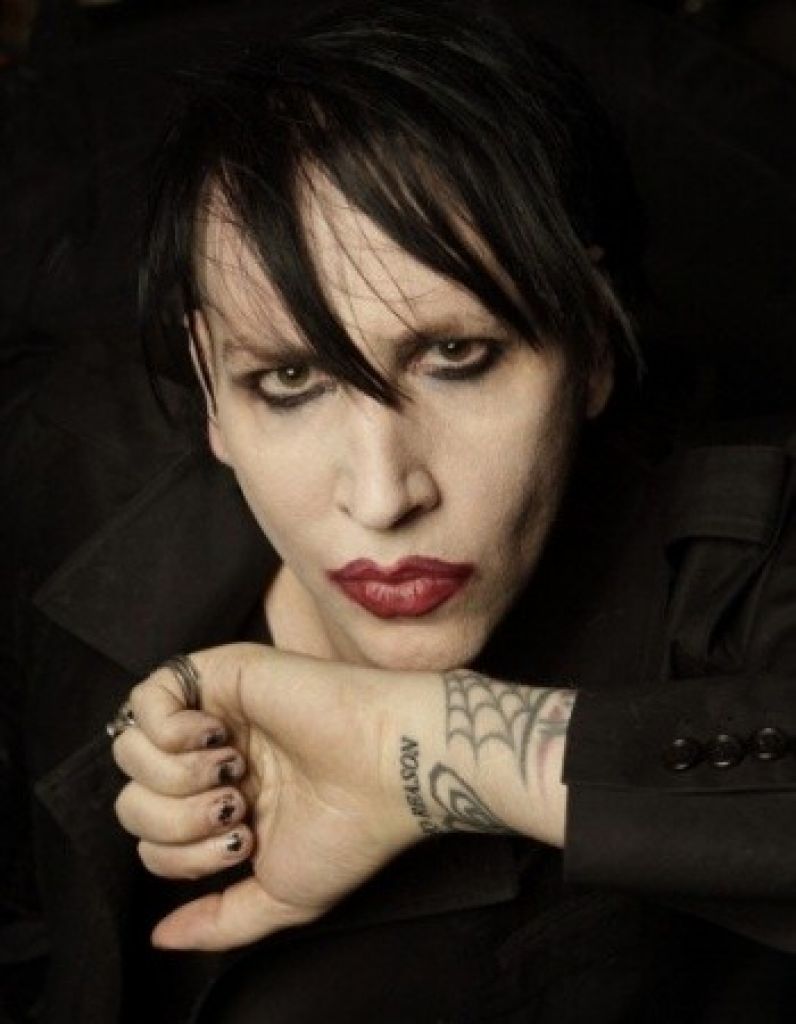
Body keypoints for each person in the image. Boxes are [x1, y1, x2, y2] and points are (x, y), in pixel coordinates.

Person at [3, 1, 795, 1021]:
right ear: (207, 382)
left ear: (593, 341)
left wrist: (431, 750)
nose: (382, 497)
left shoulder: (743, 558)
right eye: (291, 377)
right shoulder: (61, 465)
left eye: (457, 355)